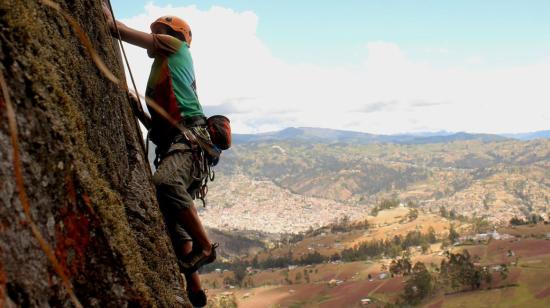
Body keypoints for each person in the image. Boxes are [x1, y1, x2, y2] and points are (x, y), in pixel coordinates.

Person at [103, 4, 216, 307]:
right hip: (181, 144)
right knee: (174, 219)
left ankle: (205, 248)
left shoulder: (177, 47)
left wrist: (106, 14)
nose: (154, 36)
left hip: (189, 140)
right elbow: (162, 127)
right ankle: (194, 289)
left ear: (172, 35)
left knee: (165, 183)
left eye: (159, 32)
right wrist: (139, 111)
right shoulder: (162, 70)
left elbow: (119, 31)